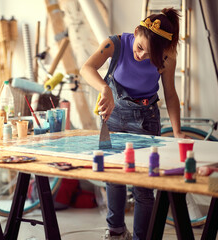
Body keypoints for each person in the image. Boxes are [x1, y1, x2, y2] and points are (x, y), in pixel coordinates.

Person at [80, 8, 186, 240]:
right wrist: (104, 89)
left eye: (149, 55)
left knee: (143, 186)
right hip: (114, 116)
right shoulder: (114, 44)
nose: (141, 57)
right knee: (114, 177)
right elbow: (86, 68)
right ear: (136, 31)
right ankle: (116, 231)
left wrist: (177, 132)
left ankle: (142, 237)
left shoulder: (166, 57)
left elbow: (170, 94)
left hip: (146, 121)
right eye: (139, 48)